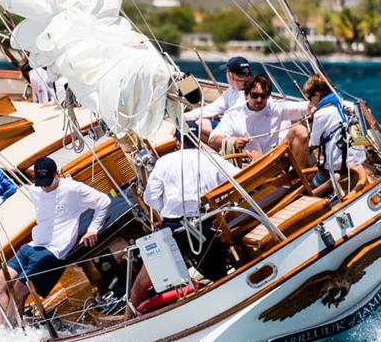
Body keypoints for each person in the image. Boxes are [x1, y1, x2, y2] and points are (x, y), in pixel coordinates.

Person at [129, 126, 240, 312]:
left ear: (178, 142)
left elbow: (150, 198)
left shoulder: (164, 162)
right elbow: (237, 178)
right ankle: (230, 305)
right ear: (198, 141)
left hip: (173, 227)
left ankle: (129, 317)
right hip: (206, 224)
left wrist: (166, 209)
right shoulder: (211, 158)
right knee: (218, 274)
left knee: (145, 279)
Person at [0, 157, 111, 326]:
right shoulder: (36, 189)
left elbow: (103, 201)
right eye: (42, 183)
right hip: (33, 246)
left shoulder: (73, 189)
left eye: (48, 182)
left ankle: (10, 333)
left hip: (53, 251)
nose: (45, 187)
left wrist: (93, 229)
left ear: (57, 174)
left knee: (19, 290)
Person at [209, 74, 312, 165]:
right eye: (254, 95)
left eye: (263, 96)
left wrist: (317, 105)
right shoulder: (234, 114)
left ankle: (298, 179)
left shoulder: (275, 108)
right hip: (248, 163)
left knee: (300, 130)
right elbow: (213, 139)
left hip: (273, 159)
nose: (259, 100)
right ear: (246, 95)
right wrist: (233, 142)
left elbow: (305, 107)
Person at [302, 73, 366, 194]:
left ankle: (326, 185)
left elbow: (313, 143)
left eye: (309, 98)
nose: (310, 102)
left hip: (337, 167)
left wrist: (312, 120)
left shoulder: (321, 114)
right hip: (359, 159)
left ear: (317, 94)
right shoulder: (350, 105)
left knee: (308, 191)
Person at [184, 56, 251, 141]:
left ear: (229, 75)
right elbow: (212, 109)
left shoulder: (242, 93)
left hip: (236, 135)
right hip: (242, 133)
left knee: (198, 124)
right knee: (200, 122)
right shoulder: (234, 91)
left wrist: (183, 117)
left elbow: (211, 110)